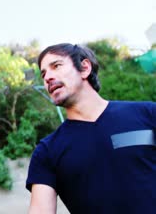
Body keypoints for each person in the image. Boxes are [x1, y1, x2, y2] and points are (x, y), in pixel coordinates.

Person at [26, 43, 155, 213]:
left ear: (84, 68)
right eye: (43, 74)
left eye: (56, 66)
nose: (47, 77)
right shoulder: (46, 152)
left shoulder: (148, 114)